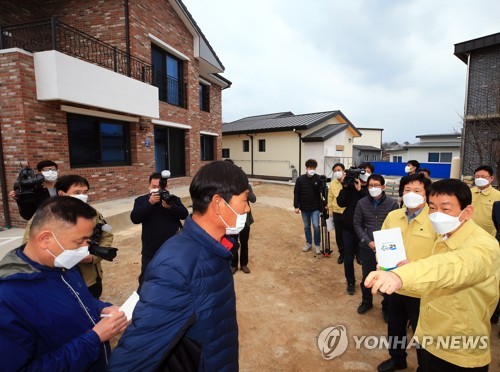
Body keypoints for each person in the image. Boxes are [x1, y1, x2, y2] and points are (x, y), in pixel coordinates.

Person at [109, 160, 250, 371]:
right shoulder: (175, 267)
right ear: (218, 203)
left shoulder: (216, 247)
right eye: (245, 200)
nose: (248, 208)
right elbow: (133, 357)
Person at [365, 179, 500, 371]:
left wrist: (401, 276)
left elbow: (452, 267)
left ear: (467, 212)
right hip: (430, 337)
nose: (436, 215)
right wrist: (408, 267)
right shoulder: (445, 234)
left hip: (459, 350)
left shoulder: (485, 245)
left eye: (445, 209)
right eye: (433, 208)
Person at [0, 196, 128, 370]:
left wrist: (101, 308)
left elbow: (78, 298)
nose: (85, 248)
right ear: (46, 239)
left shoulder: (61, 263)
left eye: (88, 241)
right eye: (80, 241)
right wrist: (94, 338)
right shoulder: (8, 298)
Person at [377, 173, 435, 372]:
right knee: (395, 326)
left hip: (421, 290)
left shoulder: (435, 221)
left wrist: (415, 264)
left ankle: (423, 366)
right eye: (407, 190)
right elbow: (383, 245)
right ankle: (397, 359)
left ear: (426, 195)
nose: (411, 194)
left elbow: (442, 256)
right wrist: (382, 264)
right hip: (395, 284)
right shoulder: (394, 216)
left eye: (417, 191)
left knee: (423, 333)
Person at [22, 175, 114, 299]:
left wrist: (93, 257)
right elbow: (29, 247)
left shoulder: (92, 213)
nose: (83, 196)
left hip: (90, 280)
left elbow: (106, 235)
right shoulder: (44, 216)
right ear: (61, 193)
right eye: (77, 192)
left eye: (85, 192)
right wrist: (64, 257)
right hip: (59, 281)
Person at [131, 172, 188, 288]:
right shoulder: (141, 201)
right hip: (150, 250)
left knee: (172, 279)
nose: (157, 190)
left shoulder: (173, 200)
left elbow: (184, 214)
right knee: (146, 280)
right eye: (154, 187)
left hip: (171, 249)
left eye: (160, 187)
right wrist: (150, 203)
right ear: (149, 187)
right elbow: (135, 218)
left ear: (166, 187)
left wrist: (171, 207)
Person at [353, 174, 398, 320]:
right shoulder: (362, 203)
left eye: (376, 185)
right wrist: (368, 241)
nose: (373, 188)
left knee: (386, 277)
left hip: (386, 249)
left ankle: (386, 306)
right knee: (367, 276)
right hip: (367, 247)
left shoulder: (392, 204)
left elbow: (394, 227)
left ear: (383, 187)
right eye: (370, 185)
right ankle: (366, 302)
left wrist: (384, 243)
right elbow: (357, 224)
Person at [337, 162, 373, 295]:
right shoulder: (349, 187)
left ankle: (368, 282)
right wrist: (346, 186)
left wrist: (360, 190)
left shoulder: (372, 188)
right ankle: (350, 282)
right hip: (349, 228)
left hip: (366, 230)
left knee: (368, 258)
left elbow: (370, 205)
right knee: (348, 257)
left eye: (366, 171)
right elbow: (340, 203)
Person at [293, 159, 322, 254]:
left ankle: (317, 244)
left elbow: (322, 193)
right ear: (306, 168)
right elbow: (296, 193)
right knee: (306, 226)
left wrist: (324, 205)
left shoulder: (318, 178)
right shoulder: (300, 179)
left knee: (316, 226)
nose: (312, 169)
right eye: (310, 168)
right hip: (304, 208)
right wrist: (296, 206)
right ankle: (309, 243)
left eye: (313, 168)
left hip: (315, 208)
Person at [231, 182, 256, 274]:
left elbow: (254, 199)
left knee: (244, 243)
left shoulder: (247, 186)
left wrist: (247, 192)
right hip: (233, 220)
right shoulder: (230, 186)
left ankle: (244, 264)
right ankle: (234, 265)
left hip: (245, 220)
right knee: (233, 243)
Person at [470, 165, 500, 237]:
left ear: (491, 178)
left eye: (483, 177)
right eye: (477, 176)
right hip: (469, 233)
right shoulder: (469, 193)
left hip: (488, 235)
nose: (480, 179)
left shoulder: (498, 195)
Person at [327, 163, 346, 264]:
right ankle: (342, 253)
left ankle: (355, 253)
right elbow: (330, 198)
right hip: (336, 212)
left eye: (339, 170)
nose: (337, 172)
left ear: (343, 171)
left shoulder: (348, 182)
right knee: (339, 235)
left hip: (347, 212)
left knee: (350, 234)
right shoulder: (333, 183)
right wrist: (330, 211)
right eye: (335, 170)